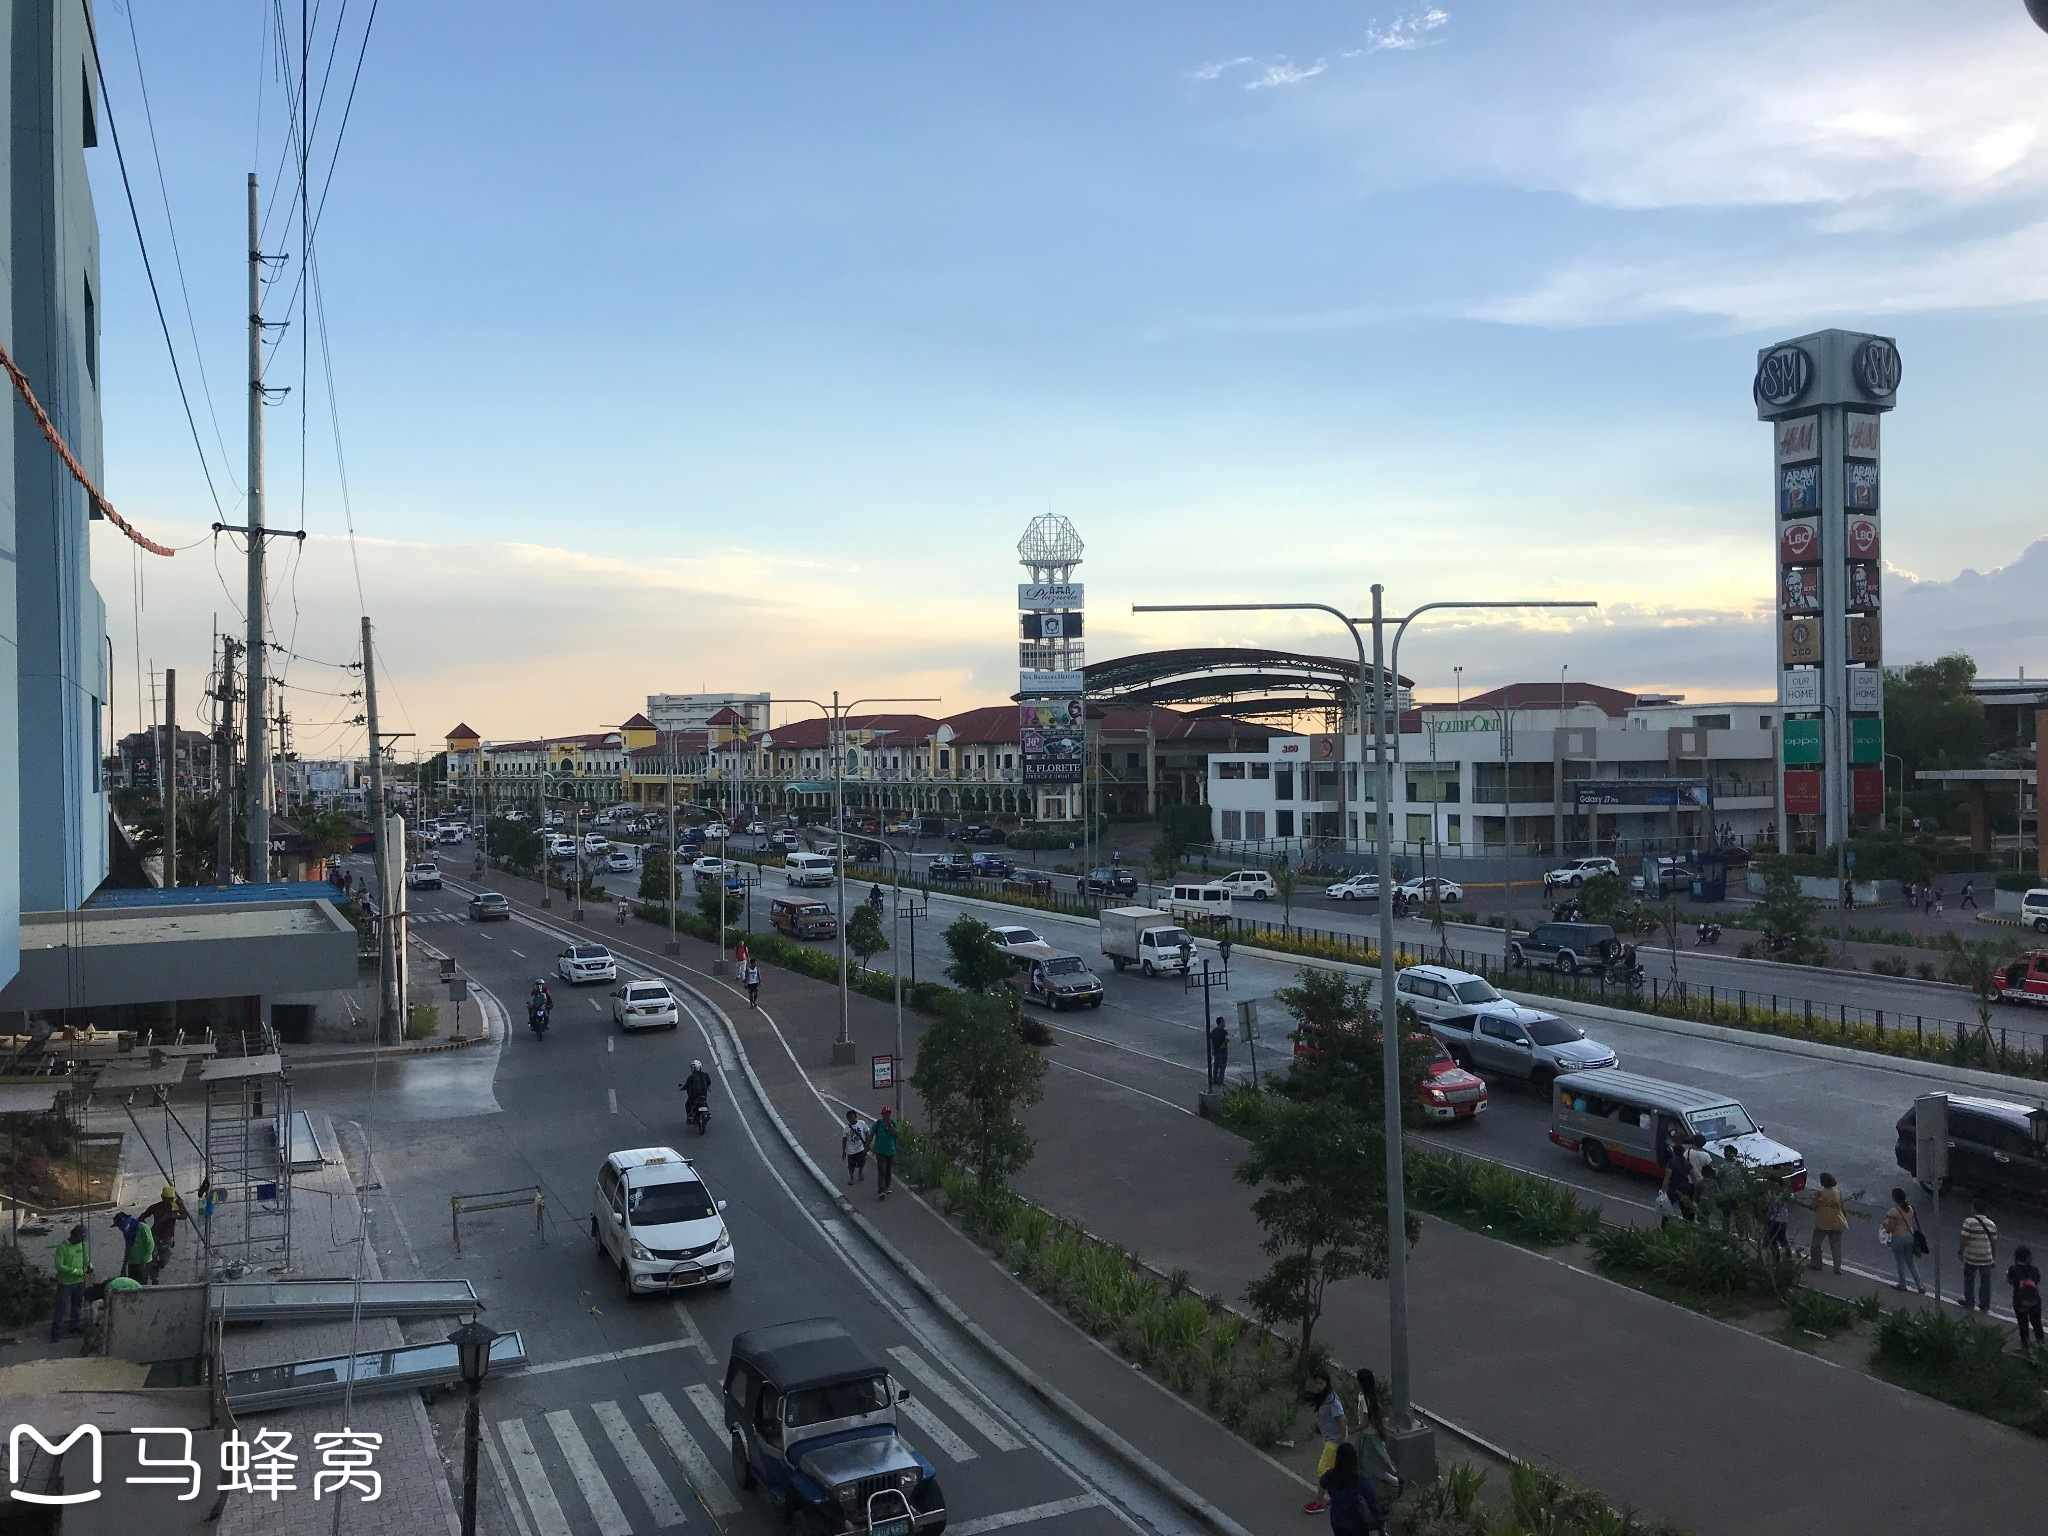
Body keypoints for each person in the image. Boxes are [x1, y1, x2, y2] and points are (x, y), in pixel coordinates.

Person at [1301, 1371, 1351, 1514]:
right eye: (1316, 1383)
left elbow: (1342, 1420)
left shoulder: (1333, 1401)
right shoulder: (1325, 1398)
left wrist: (1343, 1441)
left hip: (1333, 1442)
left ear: (1327, 1383)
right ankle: (1337, 1497)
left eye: (1321, 1383)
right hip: (1329, 1439)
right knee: (1334, 1471)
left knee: (1323, 1471)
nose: (1318, 1386)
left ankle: (1319, 1502)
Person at [1351, 1368, 1400, 1497]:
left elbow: (1366, 1422)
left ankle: (1393, 1480)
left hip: (1368, 1436)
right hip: (1368, 1435)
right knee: (1365, 1461)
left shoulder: (1364, 1399)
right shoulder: (1369, 1396)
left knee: (1369, 1463)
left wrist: (1352, 1430)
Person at [1317, 1441, 1384, 1534]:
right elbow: (1373, 1502)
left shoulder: (1330, 1476)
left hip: (1338, 1522)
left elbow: (1322, 1483)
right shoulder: (1360, 1480)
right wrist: (1380, 1524)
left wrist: (1320, 1500)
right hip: (1357, 1523)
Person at [50, 1224, 91, 1340]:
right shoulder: (62, 1248)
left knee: (77, 1304)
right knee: (61, 1306)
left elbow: (86, 1259)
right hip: (65, 1283)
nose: (80, 1241)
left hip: (80, 1281)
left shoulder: (82, 1245)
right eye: (79, 1238)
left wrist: (89, 1266)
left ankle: (75, 1326)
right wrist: (76, 1271)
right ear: (73, 1236)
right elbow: (59, 1266)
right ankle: (56, 1332)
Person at [1803, 1172, 1849, 1274]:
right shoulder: (1837, 1192)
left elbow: (1813, 1206)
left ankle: (1817, 1264)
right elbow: (1842, 1207)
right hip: (1836, 1222)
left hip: (1822, 1222)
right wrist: (1845, 1218)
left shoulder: (1820, 1192)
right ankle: (1837, 1268)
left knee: (1816, 1244)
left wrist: (1802, 1203)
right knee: (1836, 1246)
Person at [1882, 1188, 1925, 1292]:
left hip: (1898, 1238)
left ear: (1894, 1198)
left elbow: (1891, 1228)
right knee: (1911, 1262)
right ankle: (1920, 1286)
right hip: (1909, 1237)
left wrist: (1886, 1228)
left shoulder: (1893, 1211)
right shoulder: (1910, 1209)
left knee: (1900, 1262)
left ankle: (1902, 1285)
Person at [1958, 1200, 1998, 1312]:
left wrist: (1961, 1252)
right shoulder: (1991, 1224)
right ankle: (1985, 1305)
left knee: (1969, 1279)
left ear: (1973, 1209)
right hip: (1986, 1257)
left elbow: (1963, 1238)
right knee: (1986, 1283)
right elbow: (1994, 1242)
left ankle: (1970, 1302)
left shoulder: (1969, 1222)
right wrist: (1993, 1257)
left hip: (1971, 1257)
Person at [141, 1186, 185, 1282]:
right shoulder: (156, 1207)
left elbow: (184, 1215)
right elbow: (142, 1217)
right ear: (163, 1198)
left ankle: (158, 1267)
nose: (170, 1201)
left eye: (171, 1199)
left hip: (167, 1237)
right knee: (152, 1257)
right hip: (155, 1235)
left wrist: (177, 1213)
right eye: (168, 1199)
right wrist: (146, 1229)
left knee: (164, 1261)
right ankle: (153, 1276)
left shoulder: (175, 1207)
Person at [2008, 1244, 2043, 1351]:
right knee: (2036, 1323)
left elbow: (2010, 1281)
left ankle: (2025, 1345)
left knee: (2023, 1323)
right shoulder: (2034, 1270)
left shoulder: (2013, 1269)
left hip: (2019, 1301)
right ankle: (2040, 1343)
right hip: (2034, 1301)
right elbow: (2037, 1281)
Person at [112, 1212, 155, 1284]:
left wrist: (144, 1262)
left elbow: (150, 1245)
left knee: (142, 1285)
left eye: (119, 1226)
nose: (119, 1228)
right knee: (132, 1284)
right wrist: (124, 1265)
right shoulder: (126, 1231)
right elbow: (128, 1247)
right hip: (132, 1262)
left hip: (143, 1263)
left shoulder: (142, 1227)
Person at [872, 1105, 899, 1200]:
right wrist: (867, 1148)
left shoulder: (893, 1123)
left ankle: (887, 1186)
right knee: (882, 1170)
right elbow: (871, 1135)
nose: (887, 1115)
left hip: (890, 1151)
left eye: (889, 1113)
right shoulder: (878, 1124)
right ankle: (881, 1190)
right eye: (885, 1113)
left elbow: (896, 1135)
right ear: (882, 1114)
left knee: (888, 1170)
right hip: (880, 1151)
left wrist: (890, 1126)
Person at [843, 1109, 870, 1185]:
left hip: (860, 1148)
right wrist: (843, 1150)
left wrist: (868, 1144)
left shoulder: (862, 1123)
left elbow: (867, 1133)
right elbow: (844, 1140)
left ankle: (860, 1172)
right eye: (849, 1118)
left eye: (852, 1117)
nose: (851, 1119)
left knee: (862, 1162)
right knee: (851, 1165)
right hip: (851, 1150)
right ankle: (852, 1177)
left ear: (855, 1117)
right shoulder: (846, 1128)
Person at [1207, 1016, 1230, 1089]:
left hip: (1216, 1051)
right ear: (1220, 1023)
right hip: (1222, 1052)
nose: (1224, 1023)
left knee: (1216, 1066)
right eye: (1223, 1021)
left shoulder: (1214, 1031)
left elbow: (1210, 1039)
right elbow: (1227, 1038)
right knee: (1222, 1067)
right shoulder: (1223, 1031)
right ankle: (1220, 1082)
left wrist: (1212, 1048)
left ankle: (1214, 1080)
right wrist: (1223, 1044)